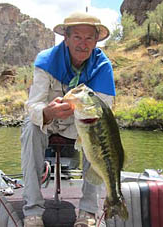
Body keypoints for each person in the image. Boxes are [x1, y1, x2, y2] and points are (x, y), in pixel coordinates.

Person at [21, 11, 116, 227]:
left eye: (89, 38)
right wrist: (48, 112)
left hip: (82, 124)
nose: (83, 44)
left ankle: (88, 212)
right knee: (30, 127)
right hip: (50, 120)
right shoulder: (45, 60)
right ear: (66, 38)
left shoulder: (103, 67)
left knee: (98, 133)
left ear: (95, 41)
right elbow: (33, 105)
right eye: (77, 37)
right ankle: (33, 211)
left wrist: (82, 112)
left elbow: (105, 110)